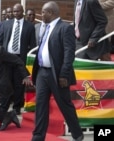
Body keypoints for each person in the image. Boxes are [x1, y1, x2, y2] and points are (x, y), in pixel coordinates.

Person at [31, 1, 83, 141]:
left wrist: (64, 74)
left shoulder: (64, 28)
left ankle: (77, 134)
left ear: (51, 12)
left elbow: (69, 53)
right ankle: (38, 136)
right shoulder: (45, 28)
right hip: (42, 72)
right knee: (41, 105)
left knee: (64, 105)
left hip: (58, 74)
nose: (41, 15)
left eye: (43, 12)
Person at [0, 3, 36, 115]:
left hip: (20, 59)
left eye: (18, 11)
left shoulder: (29, 26)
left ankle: (17, 107)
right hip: (7, 58)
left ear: (22, 11)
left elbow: (32, 45)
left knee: (19, 84)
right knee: (6, 82)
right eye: (14, 11)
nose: (15, 13)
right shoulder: (6, 24)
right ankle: (4, 106)